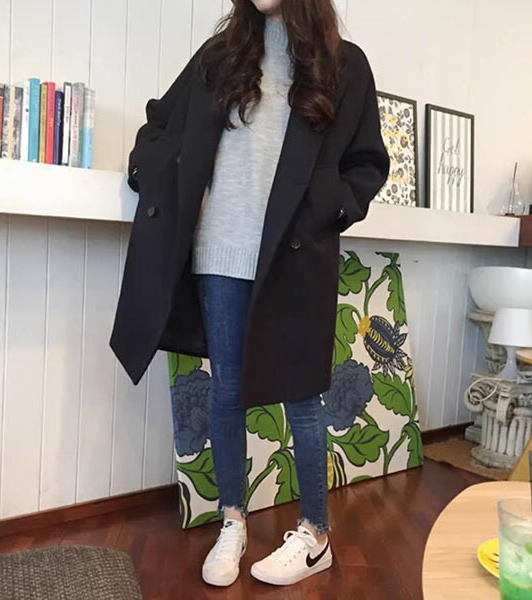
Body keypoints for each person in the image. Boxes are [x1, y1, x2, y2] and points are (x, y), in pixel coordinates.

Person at [110, 0, 389, 588]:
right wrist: (155, 176)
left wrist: (325, 207)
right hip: (218, 252)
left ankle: (315, 536)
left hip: (292, 256)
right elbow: (158, 126)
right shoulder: (220, 57)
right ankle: (232, 520)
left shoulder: (345, 65)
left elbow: (368, 164)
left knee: (301, 394)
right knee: (228, 391)